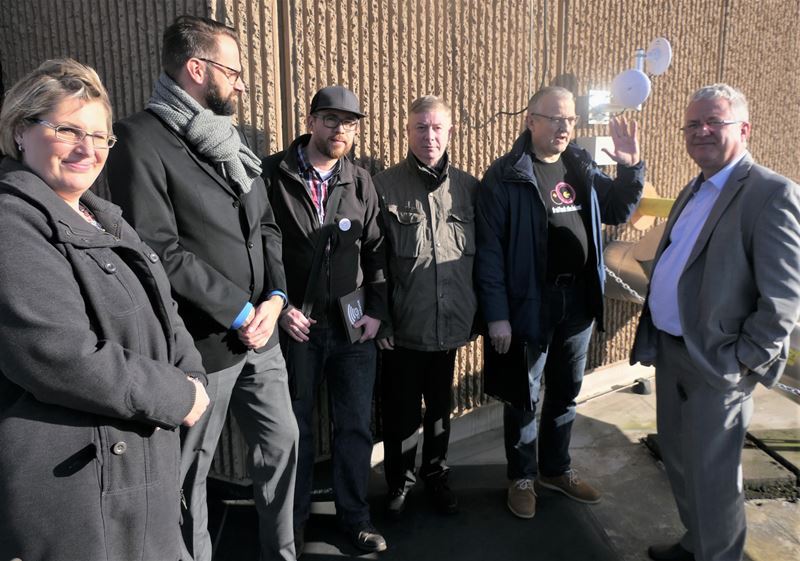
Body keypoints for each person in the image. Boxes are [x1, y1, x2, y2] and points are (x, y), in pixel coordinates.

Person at [0, 58, 210, 561]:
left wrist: (193, 375)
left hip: (140, 481)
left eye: (100, 136)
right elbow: (59, 355)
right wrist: (178, 395)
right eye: (67, 129)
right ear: (20, 132)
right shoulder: (12, 223)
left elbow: (166, 312)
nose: (87, 149)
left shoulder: (104, 217)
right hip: (79, 501)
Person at [105, 15, 298, 561]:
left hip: (264, 336)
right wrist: (239, 310)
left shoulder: (233, 141)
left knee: (283, 444)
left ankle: (281, 552)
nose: (241, 83)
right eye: (234, 71)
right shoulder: (139, 140)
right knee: (189, 474)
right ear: (197, 68)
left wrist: (276, 299)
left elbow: (265, 228)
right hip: (202, 345)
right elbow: (157, 248)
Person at [631, 84, 800, 561]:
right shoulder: (696, 185)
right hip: (673, 351)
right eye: (693, 124)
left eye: (714, 122)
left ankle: (719, 554)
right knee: (680, 462)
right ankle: (696, 546)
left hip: (718, 365)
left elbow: (784, 300)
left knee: (716, 479)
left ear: (743, 129)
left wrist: (742, 362)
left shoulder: (771, 193)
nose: (701, 131)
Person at [475, 86, 644, 519]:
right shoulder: (508, 174)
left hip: (579, 302)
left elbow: (618, 209)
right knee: (524, 395)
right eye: (554, 118)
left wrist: (630, 169)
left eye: (570, 119)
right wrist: (497, 316)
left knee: (566, 392)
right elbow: (490, 253)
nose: (565, 127)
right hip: (531, 303)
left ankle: (555, 468)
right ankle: (523, 476)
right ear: (530, 120)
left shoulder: (580, 166)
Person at [261, 85, 388, 555]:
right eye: (332, 119)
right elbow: (259, 247)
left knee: (354, 425)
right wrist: (278, 306)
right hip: (296, 324)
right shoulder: (273, 173)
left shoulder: (359, 180)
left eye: (350, 123)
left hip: (353, 326)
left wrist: (377, 312)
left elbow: (376, 249)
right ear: (311, 120)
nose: (341, 130)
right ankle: (290, 528)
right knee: (295, 428)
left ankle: (355, 518)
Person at [373, 95, 478, 518]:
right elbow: (373, 261)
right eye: (421, 128)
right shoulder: (383, 187)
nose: (429, 136)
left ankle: (436, 474)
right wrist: (380, 321)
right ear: (408, 131)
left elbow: (483, 258)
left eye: (437, 128)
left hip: (450, 325)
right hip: (404, 327)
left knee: (440, 408)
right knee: (400, 413)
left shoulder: (470, 189)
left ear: (449, 132)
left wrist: (478, 316)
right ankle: (399, 480)